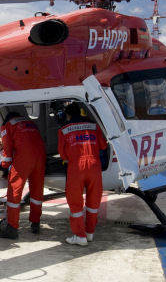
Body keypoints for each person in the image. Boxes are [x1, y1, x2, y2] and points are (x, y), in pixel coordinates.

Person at [58, 103, 108, 246]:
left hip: (76, 167)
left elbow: (63, 155)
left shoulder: (63, 130)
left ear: (67, 115)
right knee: (94, 201)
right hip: (94, 166)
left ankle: (80, 235)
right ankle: (90, 233)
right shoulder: (93, 125)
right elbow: (103, 146)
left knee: (75, 203)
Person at [0, 112, 46, 239]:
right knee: (37, 191)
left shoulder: (7, 125)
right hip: (40, 157)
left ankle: (12, 227)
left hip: (24, 158)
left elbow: (7, 150)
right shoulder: (30, 123)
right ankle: (35, 223)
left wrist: (4, 167)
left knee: (14, 192)